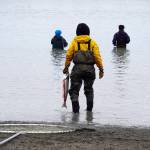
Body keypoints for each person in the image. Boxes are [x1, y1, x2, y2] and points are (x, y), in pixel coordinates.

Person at [63, 23, 104, 113]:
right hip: (90, 70)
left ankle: (75, 110)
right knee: (89, 89)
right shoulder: (93, 43)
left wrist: (66, 67)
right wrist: (101, 69)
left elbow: (68, 55)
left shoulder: (74, 42)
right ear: (88, 32)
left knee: (74, 90)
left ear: (77, 32)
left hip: (77, 69)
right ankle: (89, 110)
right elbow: (97, 57)